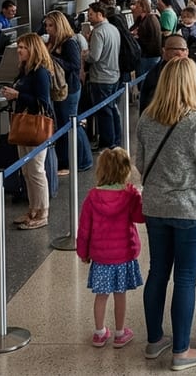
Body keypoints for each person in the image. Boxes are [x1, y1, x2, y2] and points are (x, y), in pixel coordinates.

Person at [134, 58, 196, 371]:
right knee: (185, 277)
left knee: (158, 271)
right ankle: (182, 350)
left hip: (155, 206)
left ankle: (154, 340)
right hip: (190, 209)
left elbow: (140, 164)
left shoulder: (146, 117)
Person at [76, 146, 144, 348]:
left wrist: (83, 252)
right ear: (126, 170)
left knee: (101, 295)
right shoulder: (129, 195)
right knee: (120, 295)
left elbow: (84, 228)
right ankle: (120, 333)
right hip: (123, 254)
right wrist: (139, 196)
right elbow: (139, 218)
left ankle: (99, 332)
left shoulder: (92, 197)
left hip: (101, 257)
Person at [0, 33, 55, 230]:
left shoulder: (40, 72)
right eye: (18, 47)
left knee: (37, 170)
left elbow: (43, 102)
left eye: (23, 47)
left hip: (35, 126)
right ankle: (33, 208)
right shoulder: (25, 71)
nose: (19, 51)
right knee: (26, 170)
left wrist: (19, 95)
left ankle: (43, 212)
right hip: (23, 125)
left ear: (32, 49)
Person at [139, 36, 196, 151]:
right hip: (167, 133)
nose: (181, 55)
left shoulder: (195, 72)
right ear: (164, 52)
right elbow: (151, 111)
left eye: (184, 51)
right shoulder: (155, 77)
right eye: (176, 53)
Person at [45, 11, 91, 177]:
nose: (48, 29)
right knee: (68, 124)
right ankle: (72, 159)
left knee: (71, 124)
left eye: (51, 25)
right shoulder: (53, 41)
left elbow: (74, 65)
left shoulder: (69, 43)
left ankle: (82, 160)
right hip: (61, 89)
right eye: (47, 25)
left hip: (69, 89)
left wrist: (53, 58)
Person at [84, 2, 122, 153]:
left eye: (91, 14)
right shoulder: (113, 29)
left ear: (100, 14)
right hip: (114, 74)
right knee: (112, 109)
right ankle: (116, 139)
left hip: (101, 77)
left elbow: (94, 57)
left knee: (104, 112)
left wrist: (84, 54)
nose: (89, 17)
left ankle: (107, 143)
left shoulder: (98, 33)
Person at [130, 0, 163, 77]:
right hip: (144, 55)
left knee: (145, 80)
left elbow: (149, 39)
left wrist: (136, 36)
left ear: (143, 8)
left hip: (149, 56)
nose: (135, 9)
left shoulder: (150, 19)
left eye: (137, 7)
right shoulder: (140, 19)